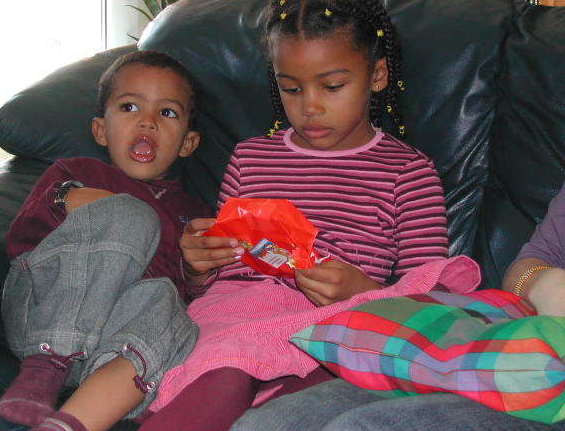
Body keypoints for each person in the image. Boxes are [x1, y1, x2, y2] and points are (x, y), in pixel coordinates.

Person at [136, 0, 480, 431]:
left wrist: (362, 290)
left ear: (377, 75)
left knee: (326, 385)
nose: (310, 107)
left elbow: (428, 298)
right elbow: (215, 280)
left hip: (335, 327)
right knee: (226, 368)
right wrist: (198, 267)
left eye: (331, 86)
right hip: (238, 319)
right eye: (292, 88)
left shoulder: (407, 172)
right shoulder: (250, 158)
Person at [231, 183, 565, 431]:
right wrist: (542, 283)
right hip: (522, 354)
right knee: (271, 423)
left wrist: (366, 290)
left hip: (543, 384)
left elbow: (425, 275)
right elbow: (533, 260)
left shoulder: (407, 177)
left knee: (361, 427)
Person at [0, 50, 212, 431]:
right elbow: (23, 239)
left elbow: (196, 295)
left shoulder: (193, 213)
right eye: (129, 107)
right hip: (42, 318)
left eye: (166, 112)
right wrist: (69, 198)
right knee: (132, 215)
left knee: (166, 301)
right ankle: (46, 366)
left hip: (112, 347)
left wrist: (196, 272)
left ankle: (70, 424)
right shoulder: (76, 173)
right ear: (100, 130)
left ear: (187, 143)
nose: (147, 121)